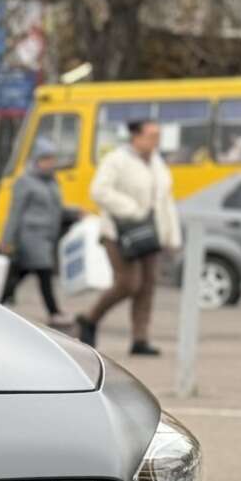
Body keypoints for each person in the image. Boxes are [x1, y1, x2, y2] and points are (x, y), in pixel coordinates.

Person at [78, 118, 181, 357]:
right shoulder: (117, 160)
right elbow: (99, 191)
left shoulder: (157, 163)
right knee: (128, 282)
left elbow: (165, 202)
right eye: (151, 135)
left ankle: (140, 338)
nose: (156, 141)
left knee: (147, 285)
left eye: (158, 136)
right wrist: (131, 209)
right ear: (136, 136)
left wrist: (170, 236)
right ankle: (89, 318)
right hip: (119, 233)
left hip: (149, 233)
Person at [0, 138, 72, 326]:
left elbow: (58, 209)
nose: (50, 163)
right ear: (36, 160)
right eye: (46, 159)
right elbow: (15, 211)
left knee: (19, 273)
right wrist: (7, 239)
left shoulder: (51, 182)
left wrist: (78, 213)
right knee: (44, 272)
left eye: (52, 159)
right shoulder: (25, 181)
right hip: (30, 235)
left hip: (46, 237)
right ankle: (54, 311)